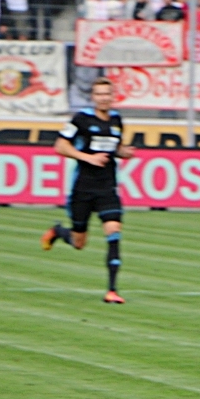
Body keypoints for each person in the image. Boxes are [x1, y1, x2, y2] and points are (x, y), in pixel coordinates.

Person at [41, 78, 136, 304]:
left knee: (114, 232)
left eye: (107, 94)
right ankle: (57, 231)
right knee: (78, 243)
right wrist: (88, 158)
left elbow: (114, 148)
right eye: (99, 94)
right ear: (93, 97)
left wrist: (123, 152)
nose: (104, 98)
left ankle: (112, 290)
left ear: (113, 97)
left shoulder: (116, 120)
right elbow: (60, 145)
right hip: (83, 188)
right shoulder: (81, 119)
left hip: (107, 188)